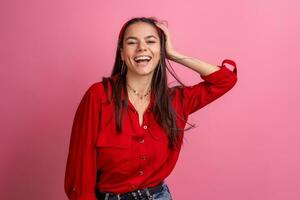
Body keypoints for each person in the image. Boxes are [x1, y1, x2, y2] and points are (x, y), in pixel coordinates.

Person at [64, 17, 238, 200]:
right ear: (122, 53)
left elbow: (225, 80)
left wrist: (174, 54)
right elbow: (80, 172)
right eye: (132, 42)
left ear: (161, 50)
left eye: (150, 41)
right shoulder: (98, 96)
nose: (142, 48)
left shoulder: (175, 101)